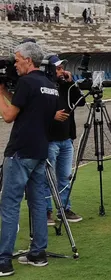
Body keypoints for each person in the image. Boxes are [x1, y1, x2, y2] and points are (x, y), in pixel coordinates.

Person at [0, 42, 59, 276]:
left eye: (17, 59)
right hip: (39, 151)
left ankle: (4, 260)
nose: (15, 64)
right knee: (36, 203)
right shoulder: (49, 85)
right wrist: (4, 90)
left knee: (10, 205)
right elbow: (26, 105)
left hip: (20, 151)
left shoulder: (26, 82)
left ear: (29, 60)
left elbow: (8, 115)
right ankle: (38, 253)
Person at [45, 56, 85, 226]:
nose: (62, 71)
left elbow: (81, 101)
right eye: (58, 68)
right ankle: (46, 211)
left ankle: (64, 209)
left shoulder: (66, 87)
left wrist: (71, 82)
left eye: (63, 68)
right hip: (50, 139)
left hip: (66, 139)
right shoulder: (45, 87)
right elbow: (35, 111)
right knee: (47, 177)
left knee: (64, 177)